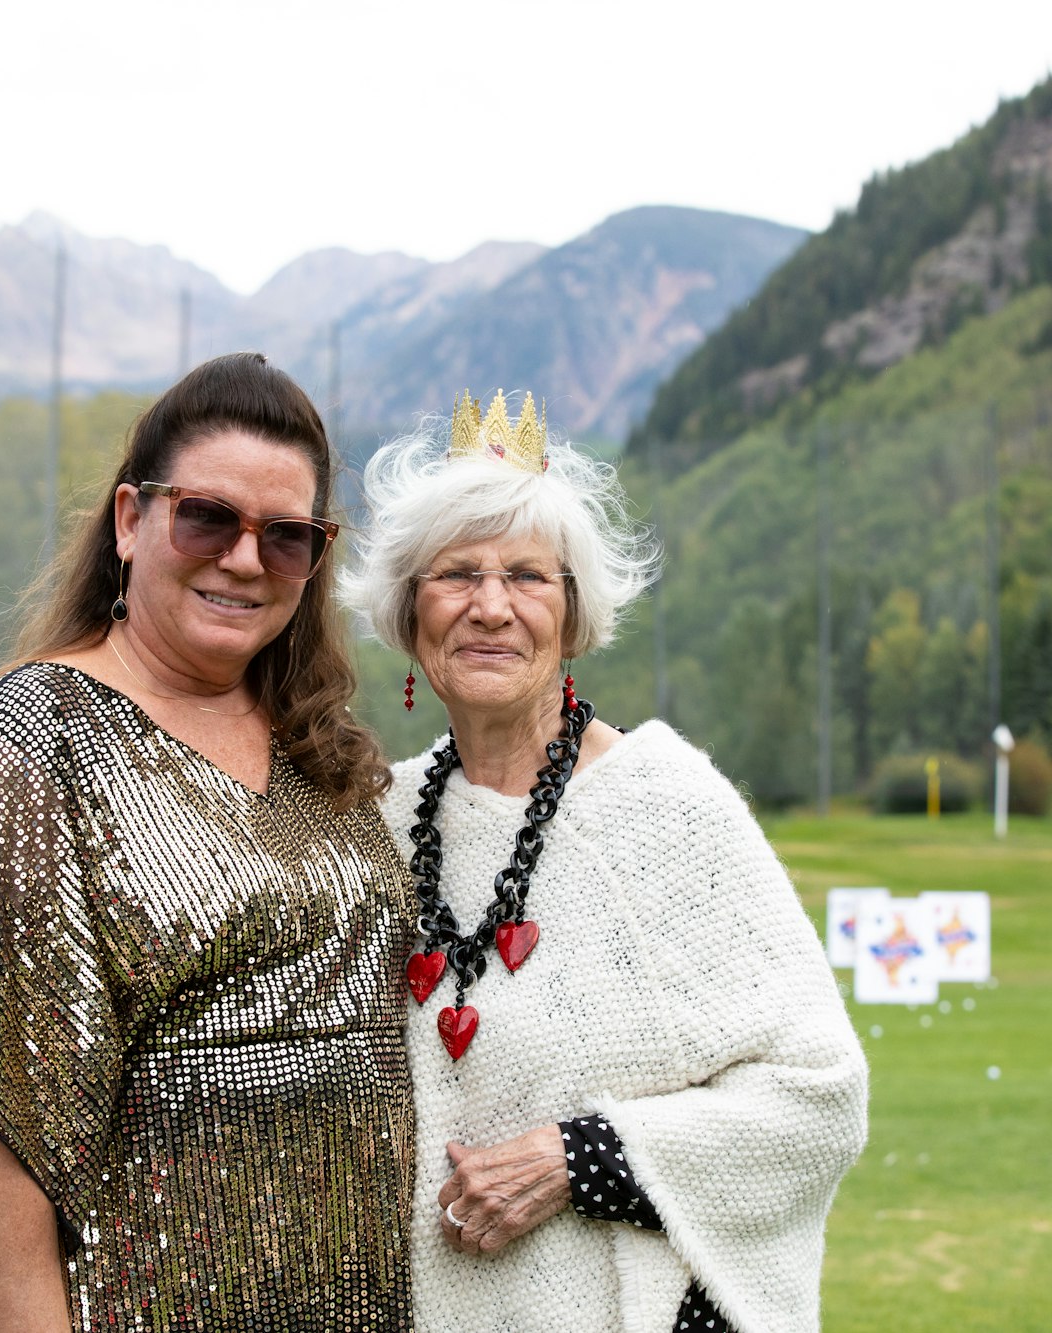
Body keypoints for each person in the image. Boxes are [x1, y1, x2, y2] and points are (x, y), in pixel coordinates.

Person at [0, 353, 416, 1332]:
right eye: (207, 517)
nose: (245, 559)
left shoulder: (317, 747)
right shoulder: (33, 736)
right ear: (131, 519)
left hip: (344, 1296)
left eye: (288, 537)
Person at [344, 391, 869, 1333]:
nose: (491, 606)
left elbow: (819, 1097)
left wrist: (575, 1158)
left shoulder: (667, 807)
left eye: (528, 577)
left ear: (573, 613)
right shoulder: (376, 818)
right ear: (408, 612)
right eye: (456, 574)